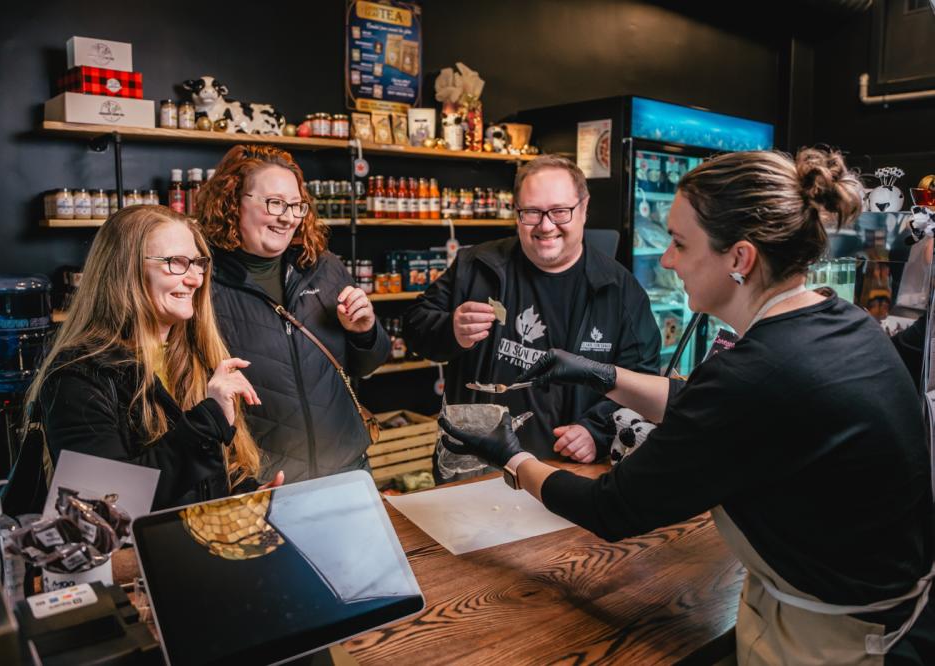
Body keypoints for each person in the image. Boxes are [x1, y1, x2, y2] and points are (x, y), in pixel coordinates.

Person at [439, 148, 935, 665]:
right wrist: (601, 374)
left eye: (679, 243)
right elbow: (706, 406)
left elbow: (611, 508)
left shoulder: (759, 371)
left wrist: (514, 459)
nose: (668, 260)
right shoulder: (839, 320)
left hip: (842, 643)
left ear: (740, 258)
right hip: (859, 612)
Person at [403, 155, 660, 479]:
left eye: (559, 211)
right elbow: (412, 329)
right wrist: (450, 329)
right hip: (474, 467)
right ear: (517, 213)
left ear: (583, 208)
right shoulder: (475, 266)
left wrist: (596, 431)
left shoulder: (619, 289)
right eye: (531, 212)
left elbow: (645, 380)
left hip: (565, 473)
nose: (545, 225)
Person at [24, 206, 274, 511]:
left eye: (197, 263)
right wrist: (207, 424)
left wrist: (251, 495)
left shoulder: (192, 357)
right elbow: (108, 507)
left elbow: (210, 474)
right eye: (176, 263)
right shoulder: (78, 376)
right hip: (139, 559)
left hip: (192, 554)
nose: (196, 279)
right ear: (125, 271)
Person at [196, 145, 390, 483]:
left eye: (296, 205)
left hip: (348, 470)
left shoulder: (323, 266)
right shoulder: (204, 281)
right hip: (262, 481)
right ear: (233, 201)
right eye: (275, 203)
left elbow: (367, 365)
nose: (288, 217)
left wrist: (366, 331)